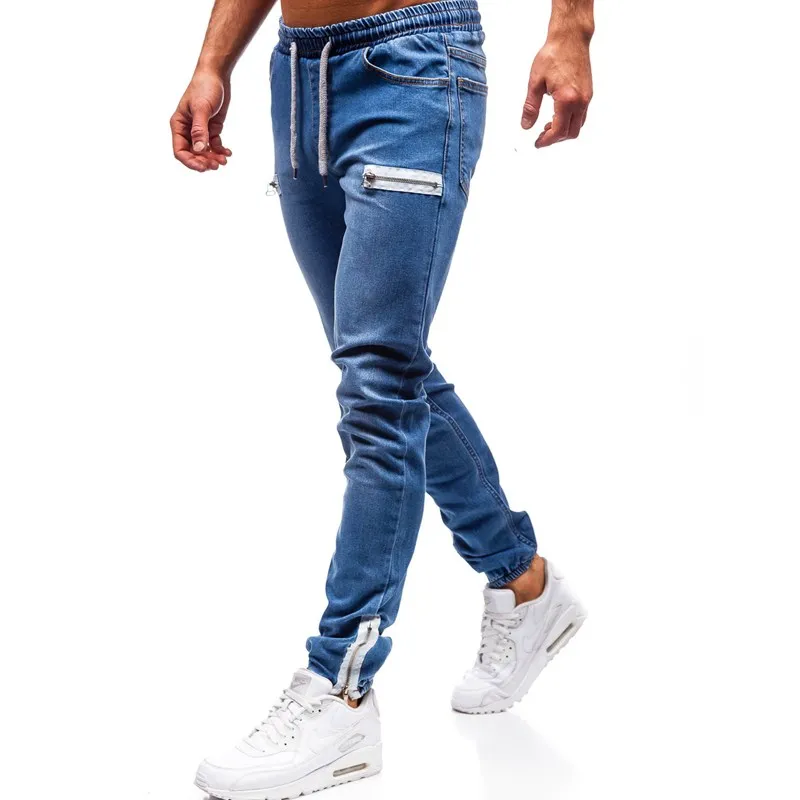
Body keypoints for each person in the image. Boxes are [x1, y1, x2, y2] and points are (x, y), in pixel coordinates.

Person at [171, 0, 594, 796]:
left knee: (379, 384)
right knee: (390, 373)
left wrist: (571, 28)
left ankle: (342, 685)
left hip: (414, 65)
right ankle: (525, 582)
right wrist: (213, 60)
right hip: (300, 78)